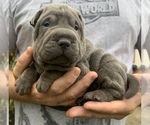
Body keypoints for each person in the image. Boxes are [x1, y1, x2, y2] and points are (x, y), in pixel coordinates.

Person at [7, 0, 143, 125]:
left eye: (75, 27)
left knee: (107, 64)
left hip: (107, 75)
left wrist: (143, 89)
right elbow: (33, 67)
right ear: (35, 24)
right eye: (47, 24)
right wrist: (20, 81)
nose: (64, 41)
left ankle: (111, 90)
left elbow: (82, 72)